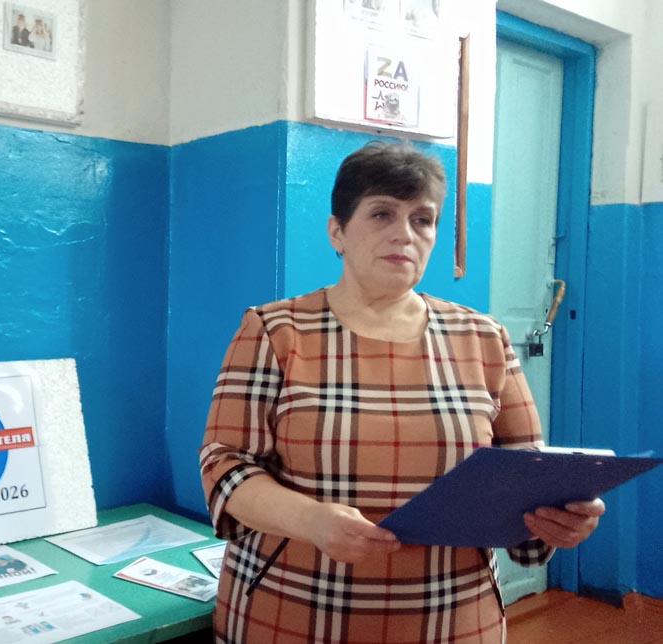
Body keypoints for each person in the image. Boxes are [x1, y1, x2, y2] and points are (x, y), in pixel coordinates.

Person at [198, 141, 605, 643]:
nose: (404, 234)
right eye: (382, 214)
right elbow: (225, 465)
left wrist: (557, 518)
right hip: (295, 609)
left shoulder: (483, 338)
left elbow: (527, 472)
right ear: (337, 231)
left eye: (422, 219)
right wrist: (313, 521)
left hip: (451, 615)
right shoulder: (275, 330)